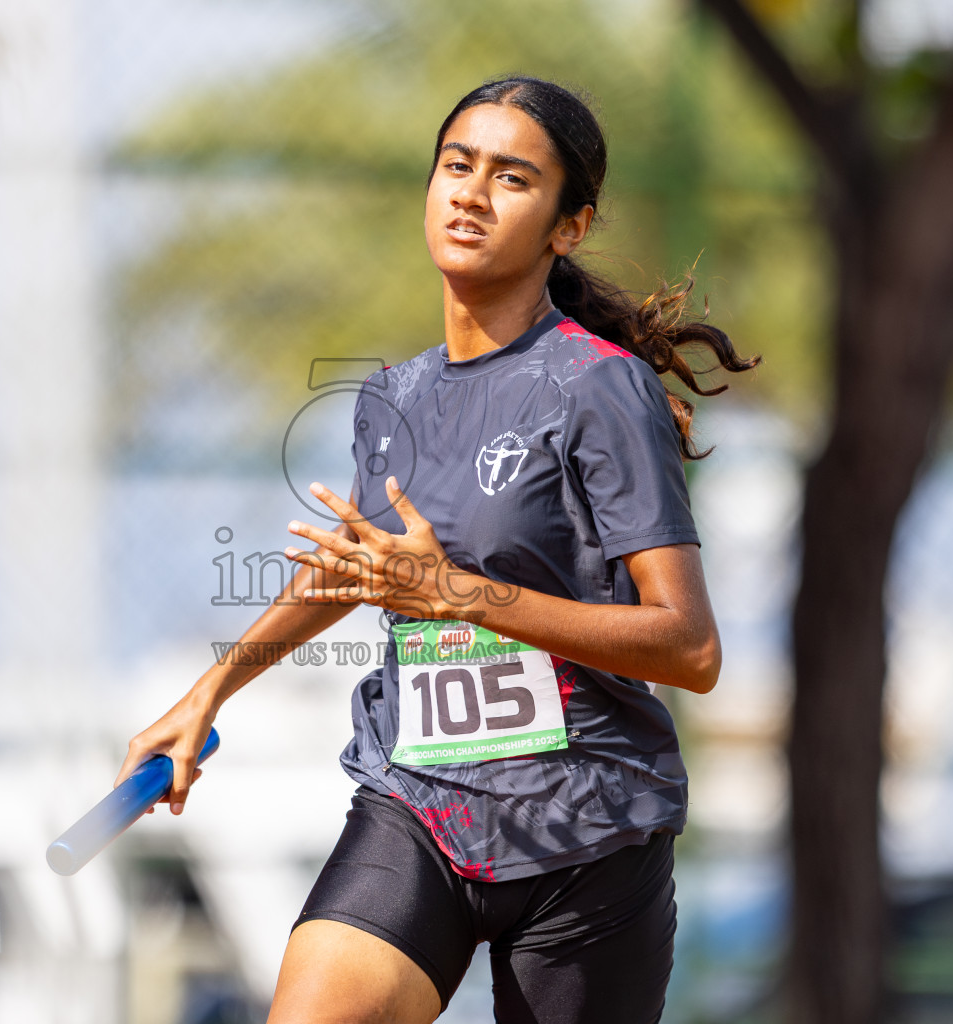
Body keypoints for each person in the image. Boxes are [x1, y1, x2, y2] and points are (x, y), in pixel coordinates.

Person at [116, 76, 758, 1024]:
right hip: (417, 802)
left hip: (584, 831)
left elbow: (689, 649)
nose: (472, 194)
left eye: (512, 178)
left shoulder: (600, 386)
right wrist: (209, 692)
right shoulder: (395, 397)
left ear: (569, 227)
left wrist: (462, 595)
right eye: (458, 166)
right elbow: (360, 570)